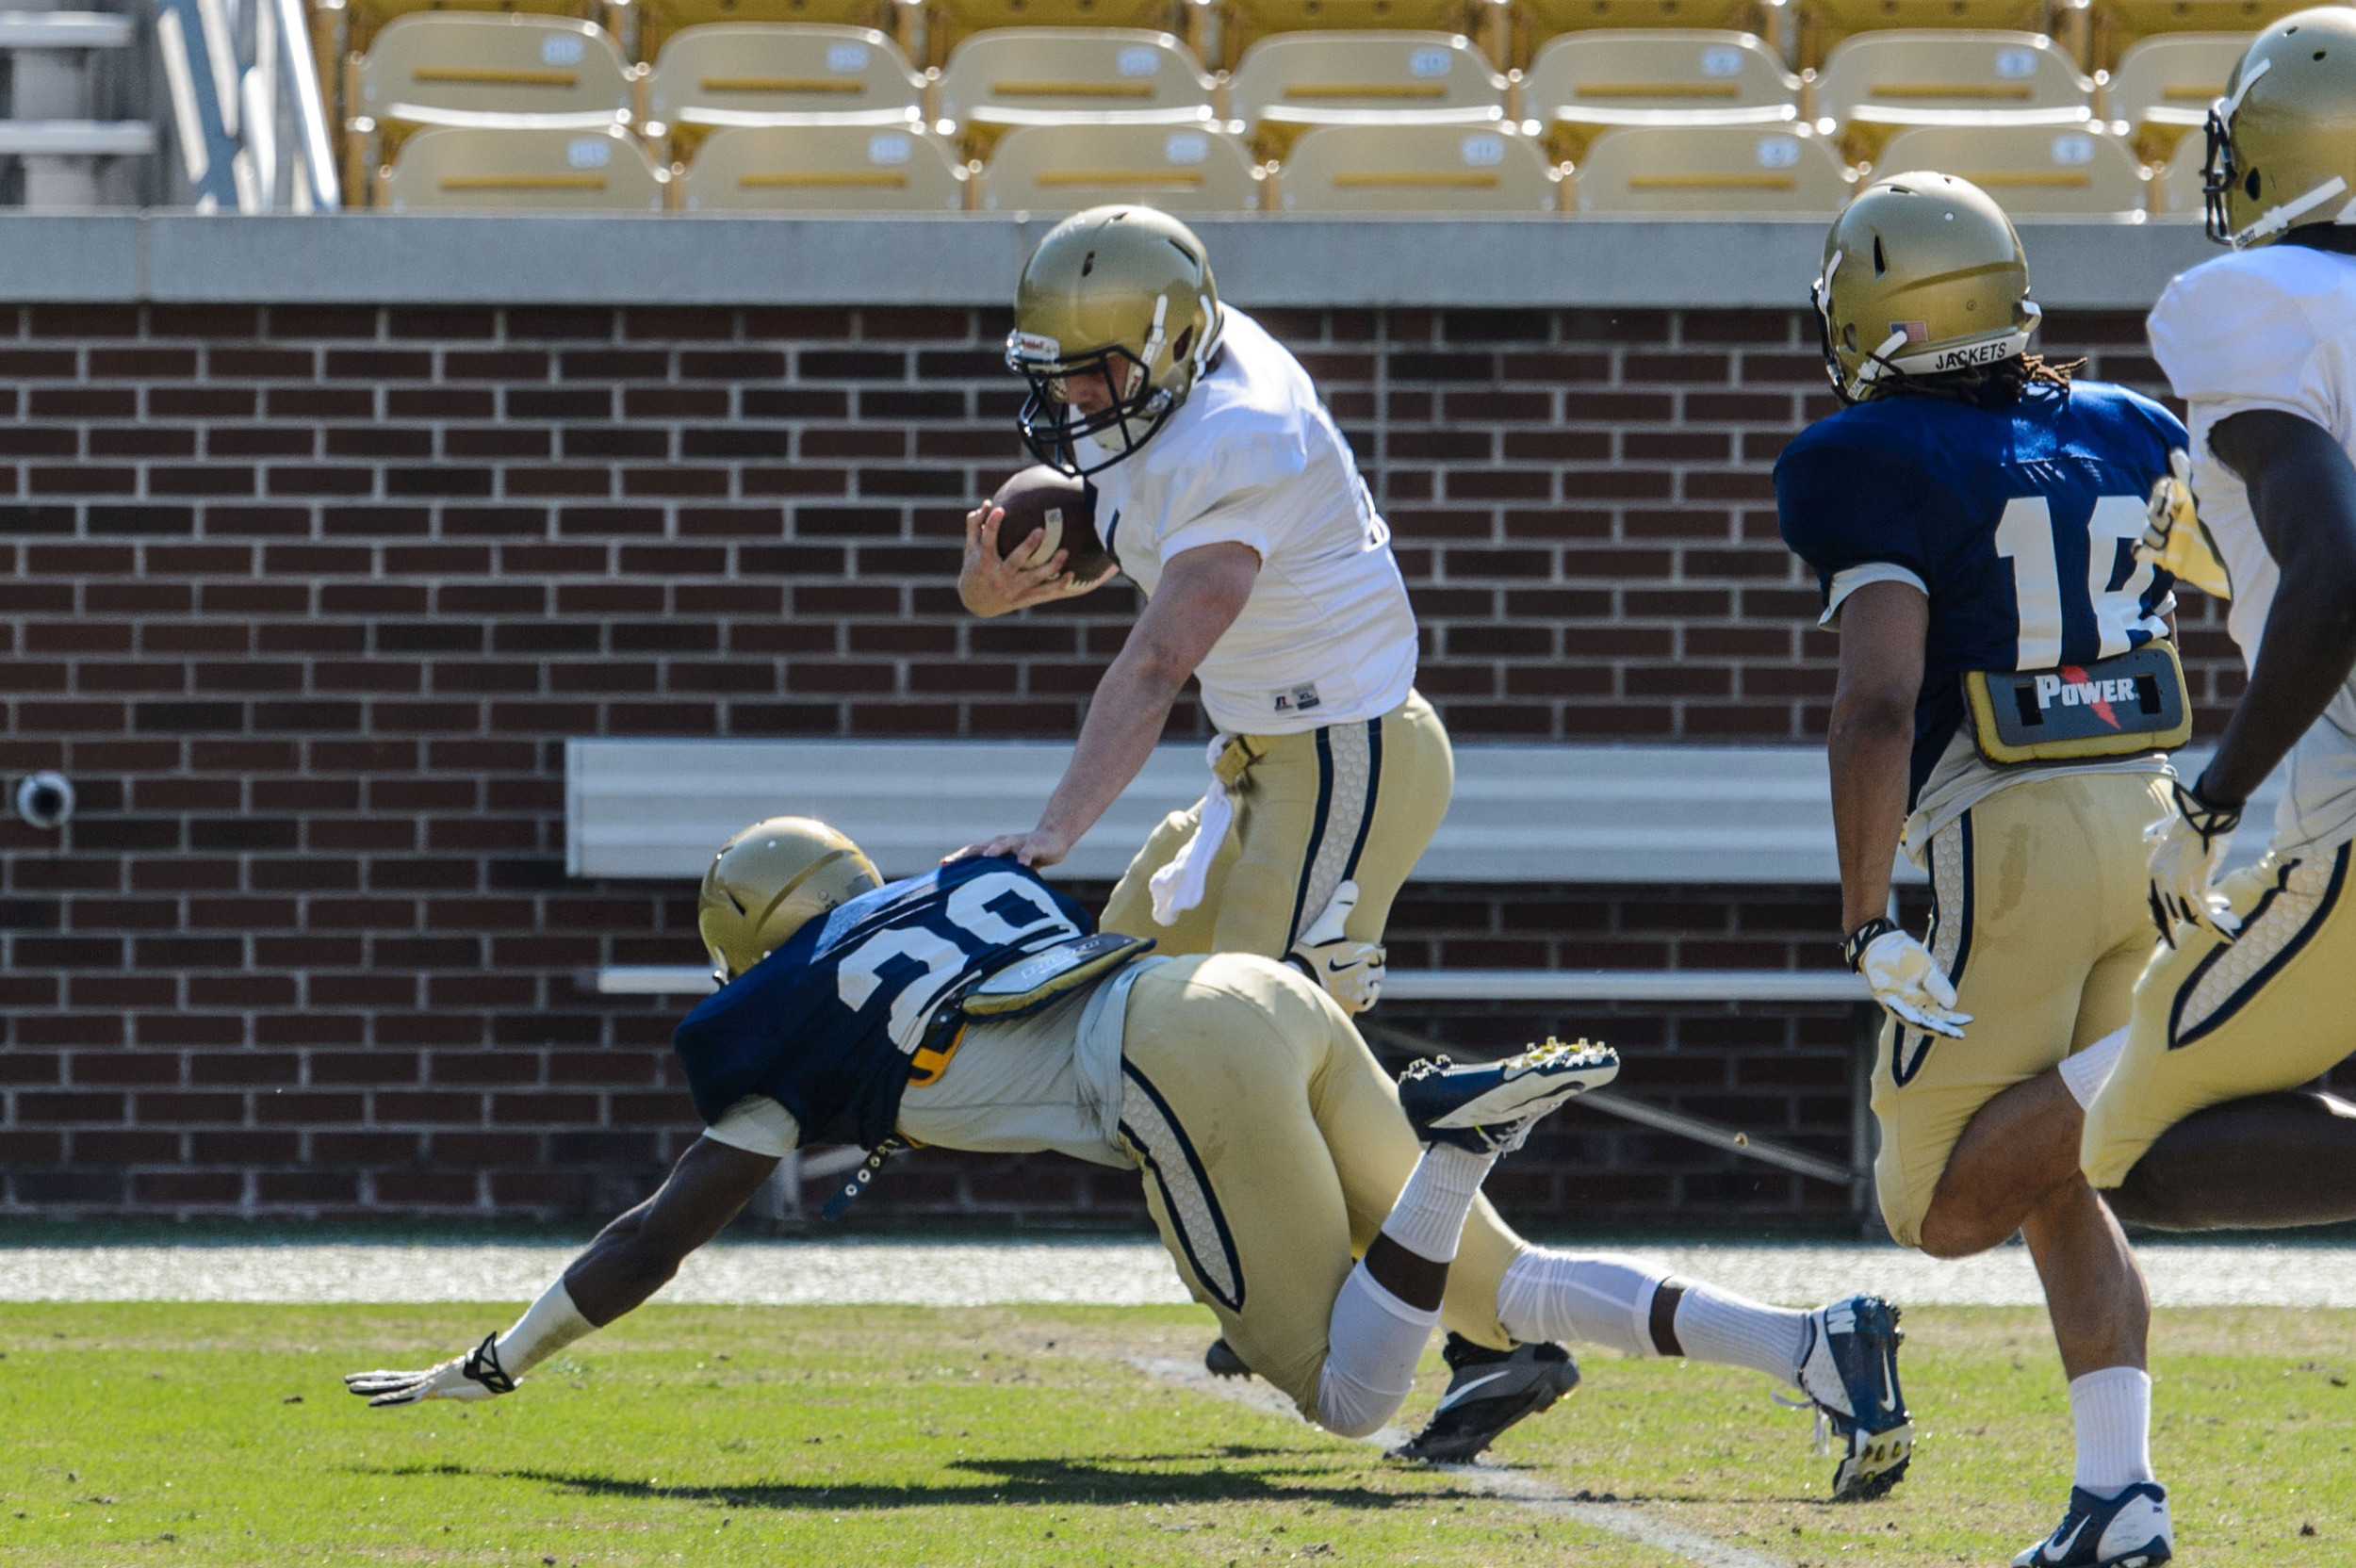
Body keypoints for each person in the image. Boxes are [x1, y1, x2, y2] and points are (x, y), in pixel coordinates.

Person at [348, 817, 1916, 1504]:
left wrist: (503, 1357)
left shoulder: (781, 1007)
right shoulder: (957, 884)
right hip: (1246, 992)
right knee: (1496, 1295)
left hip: (1164, 1062)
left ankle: (1456, 1146)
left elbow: (659, 1230)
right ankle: (1818, 1348)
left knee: (1352, 1395)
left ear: (751, 943)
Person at [951, 203, 1539, 1457]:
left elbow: (1162, 656)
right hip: (1264, 763)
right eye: (1058, 371)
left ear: (1169, 346)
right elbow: (1143, 541)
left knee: (1248, 1049)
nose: (1072, 398)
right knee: (1129, 1006)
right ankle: (1325, 1272)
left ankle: (1495, 1335)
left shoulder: (1241, 427)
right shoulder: (1165, 396)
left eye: (1094, 371)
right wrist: (1000, 586)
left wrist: (1054, 830)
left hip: (1346, 753)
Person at [1776, 173, 2187, 1568]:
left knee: (1941, 1203)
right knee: (2056, 1172)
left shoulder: (1865, 457)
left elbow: (1878, 704)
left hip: (2009, 836)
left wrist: (1863, 916)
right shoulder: (2131, 426)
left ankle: (2149, 1060)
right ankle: (2120, 1496)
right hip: (2152, 810)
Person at [2074, 9, 2356, 1242]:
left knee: (2133, 1148)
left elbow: (2338, 565)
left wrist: (2212, 800)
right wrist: (2245, 565)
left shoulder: (2246, 297)